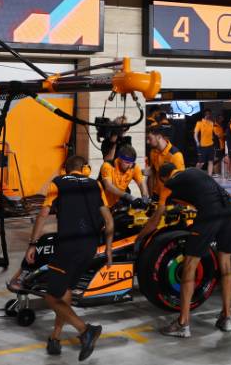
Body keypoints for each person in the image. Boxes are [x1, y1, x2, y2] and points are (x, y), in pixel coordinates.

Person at [26, 155, 111, 359]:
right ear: (84, 169)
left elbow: (43, 215)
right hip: (89, 248)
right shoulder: (95, 184)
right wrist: (107, 249)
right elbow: (109, 220)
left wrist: (33, 244)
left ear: (65, 169)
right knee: (65, 291)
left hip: (68, 247)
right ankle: (55, 337)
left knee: (51, 297)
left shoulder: (58, 183)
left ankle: (85, 331)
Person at [139, 164, 231, 337]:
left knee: (190, 265)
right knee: (226, 265)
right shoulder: (193, 172)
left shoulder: (168, 185)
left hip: (210, 212)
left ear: (163, 178)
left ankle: (183, 324)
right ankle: (227, 317)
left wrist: (140, 237)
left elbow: (156, 219)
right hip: (230, 207)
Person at [99, 142, 146, 208]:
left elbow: (141, 183)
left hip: (119, 202)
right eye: (127, 162)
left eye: (132, 163)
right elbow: (108, 186)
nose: (130, 166)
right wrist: (127, 196)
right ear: (119, 159)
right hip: (103, 202)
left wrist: (145, 197)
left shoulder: (134, 167)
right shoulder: (108, 166)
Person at [144, 124, 184, 199]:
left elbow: (181, 181)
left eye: (149, 138)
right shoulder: (153, 152)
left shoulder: (176, 155)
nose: (147, 142)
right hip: (156, 194)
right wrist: (150, 195)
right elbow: (152, 174)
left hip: (170, 196)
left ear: (159, 137)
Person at [194, 109, 218, 174]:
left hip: (210, 145)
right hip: (202, 146)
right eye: (207, 113)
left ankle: (209, 176)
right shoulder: (199, 123)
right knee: (201, 162)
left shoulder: (211, 123)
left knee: (210, 161)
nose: (208, 115)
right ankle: (195, 174)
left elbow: (214, 133)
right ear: (204, 114)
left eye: (209, 113)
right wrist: (197, 142)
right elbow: (195, 134)